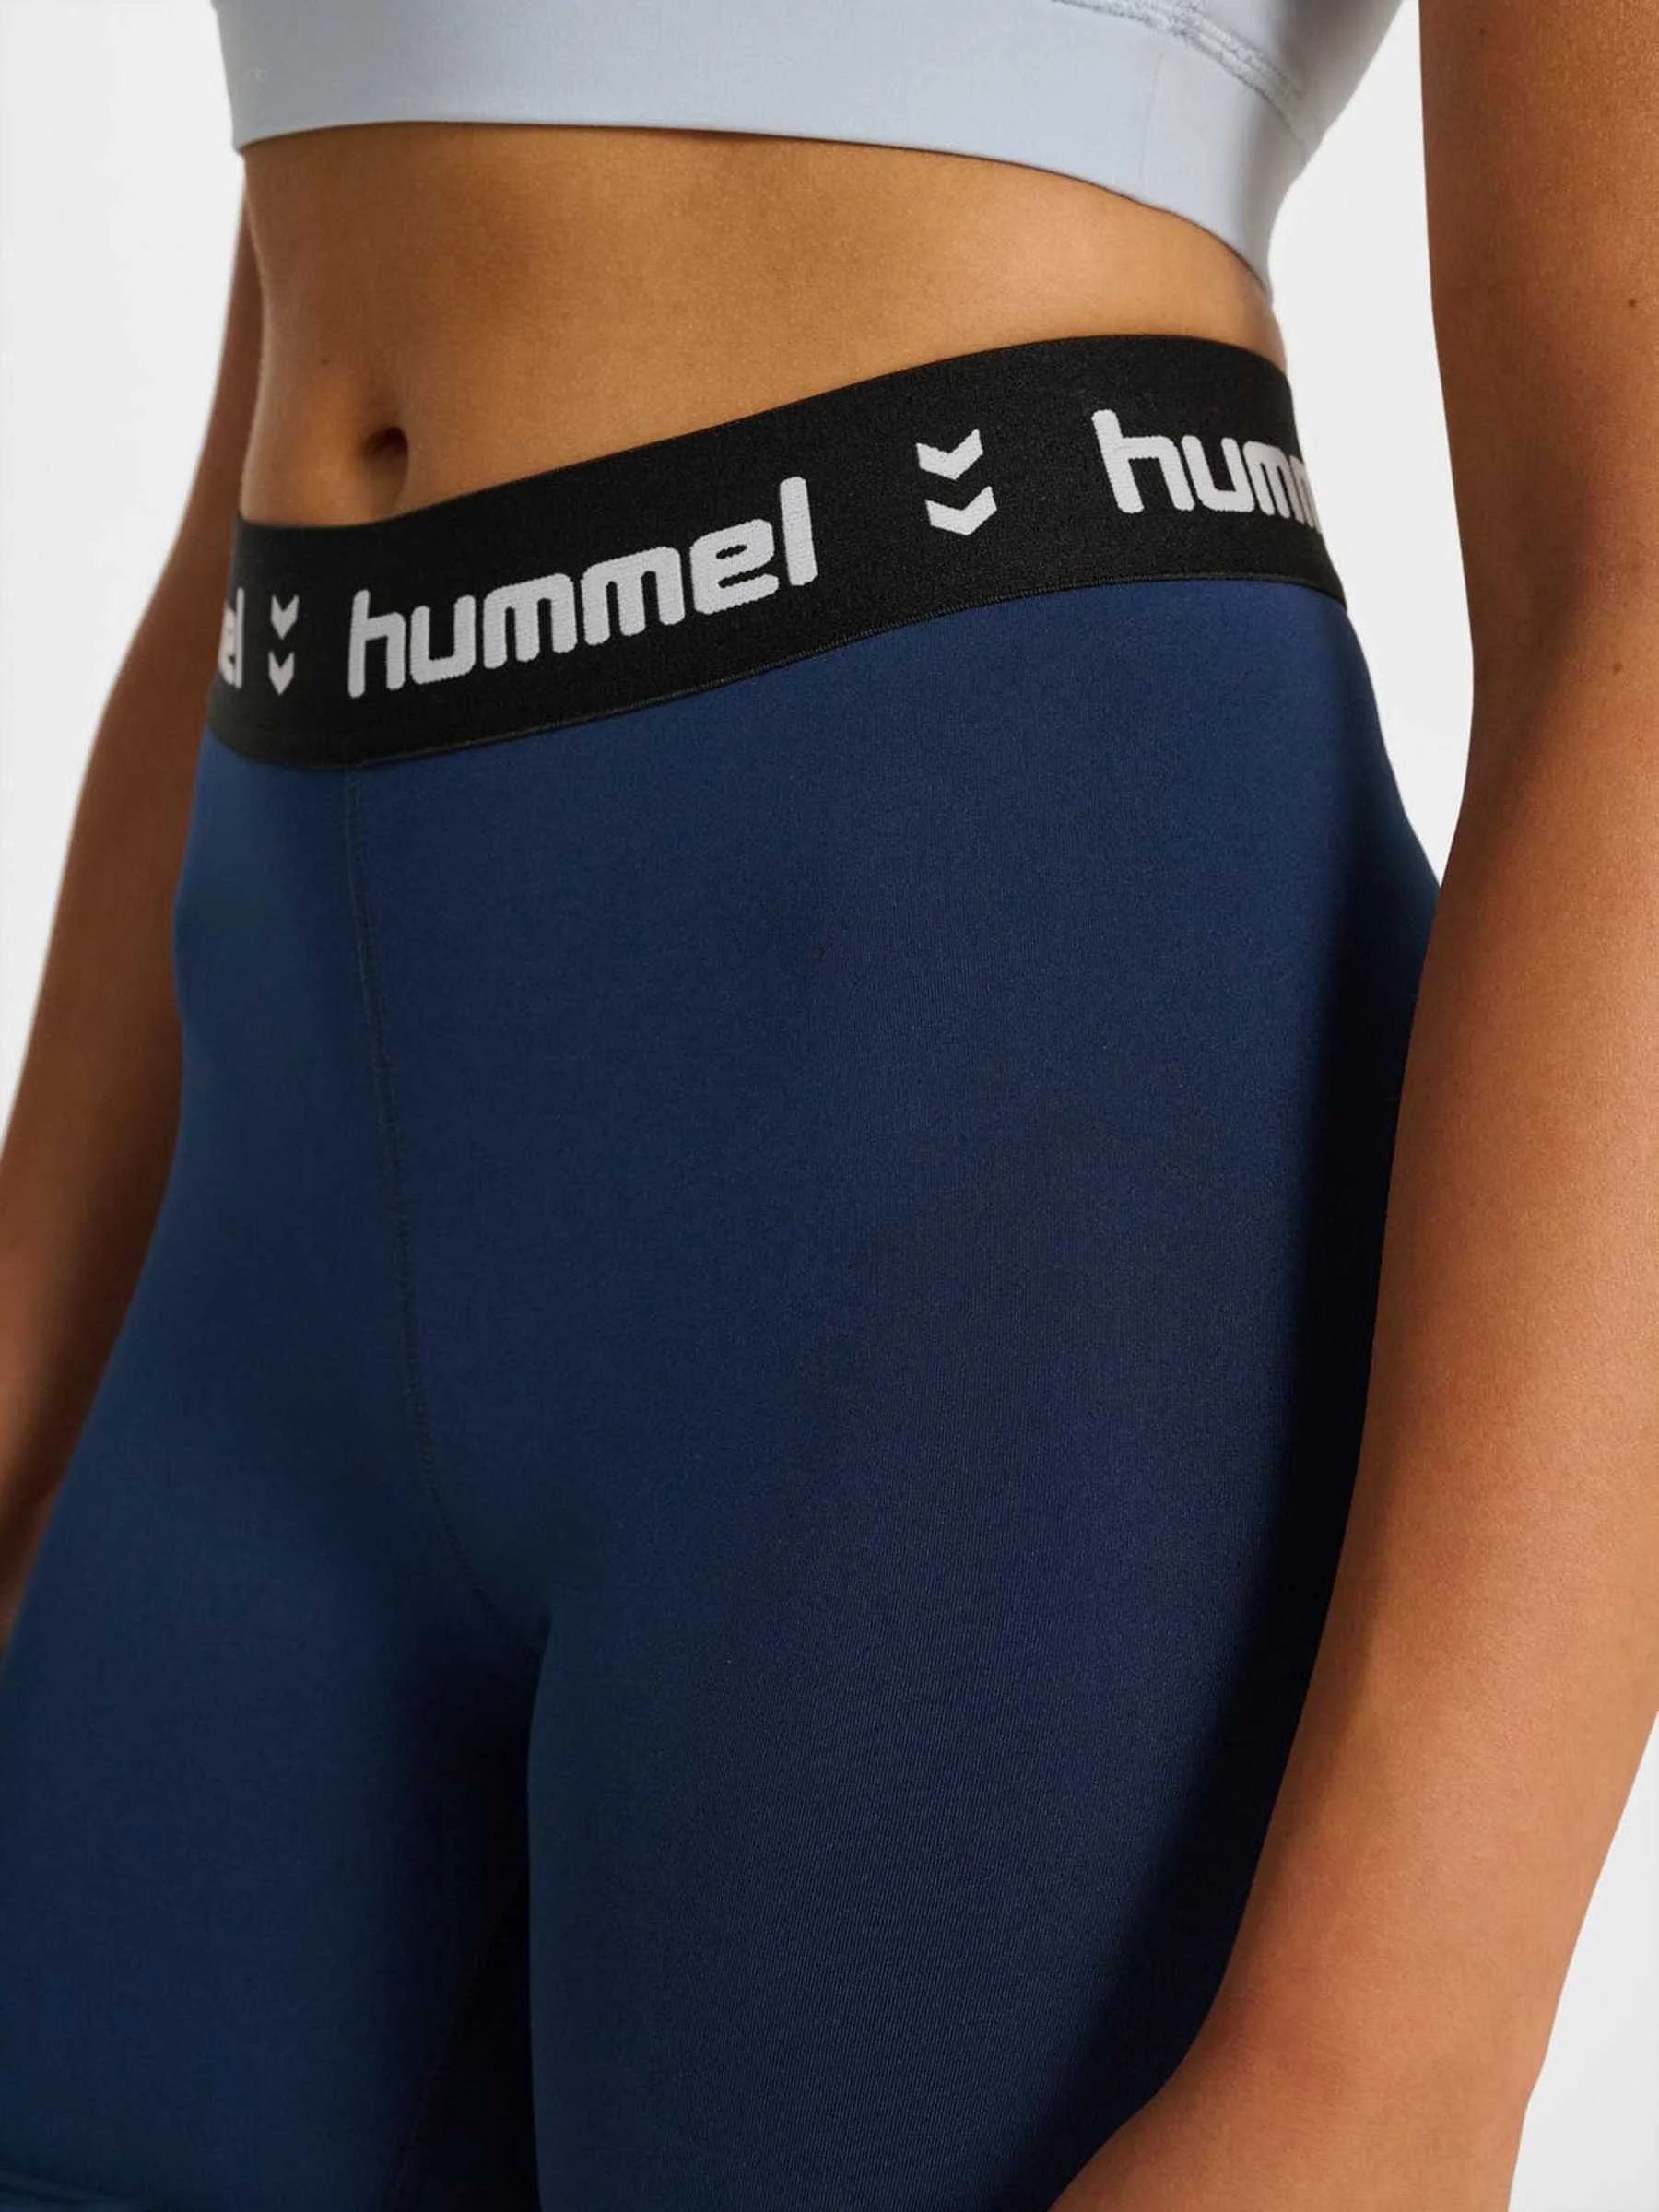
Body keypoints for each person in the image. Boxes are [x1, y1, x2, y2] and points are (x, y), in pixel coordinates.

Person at [0, 2, 1654, 2206]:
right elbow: (375, 229)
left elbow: (1638, 582)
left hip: (978, 1179)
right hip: (270, 1168)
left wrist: (1394, 2065)